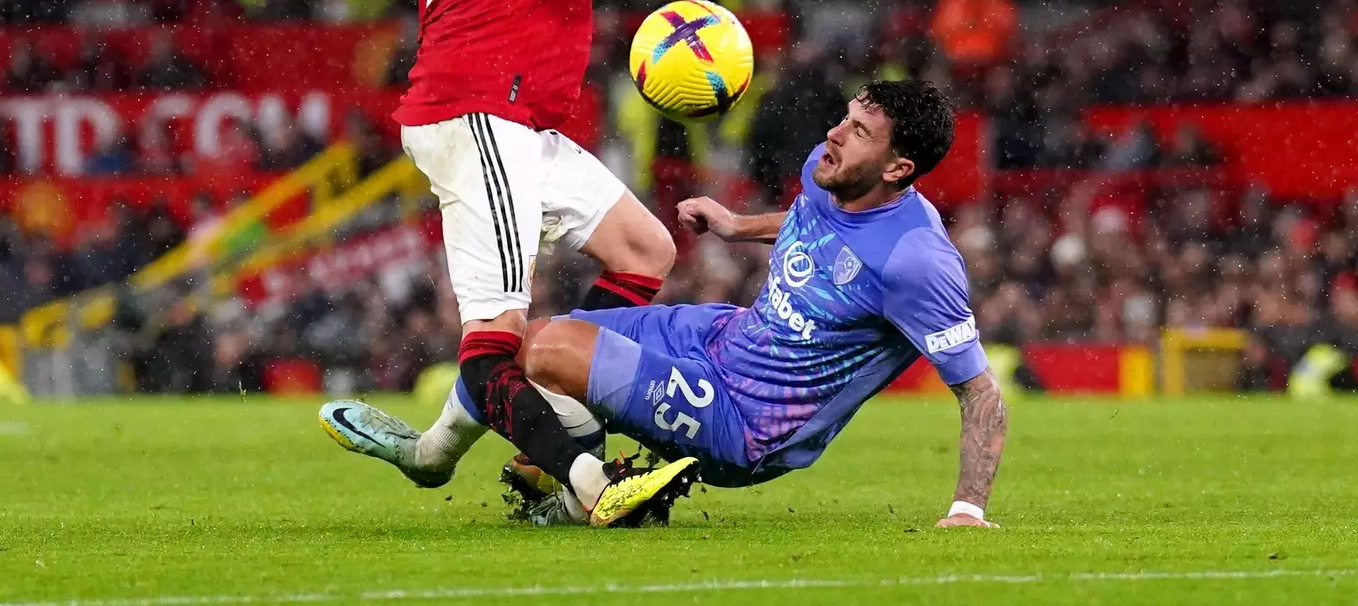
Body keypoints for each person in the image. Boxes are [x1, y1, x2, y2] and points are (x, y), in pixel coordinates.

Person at [318, 0, 784, 527]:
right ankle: (583, 480)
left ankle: (445, 450)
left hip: (508, 119)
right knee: (496, 334)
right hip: (481, 117)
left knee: (646, 251)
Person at [327, 80, 1007, 529]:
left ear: (898, 169)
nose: (834, 133)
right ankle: (459, 458)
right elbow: (814, 221)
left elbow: (980, 392)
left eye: (859, 131)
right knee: (526, 339)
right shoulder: (827, 170)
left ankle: (571, 488)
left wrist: (968, 509)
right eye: (846, 117)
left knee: (554, 352)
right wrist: (739, 226)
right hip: (725, 338)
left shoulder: (918, 260)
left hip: (746, 422)